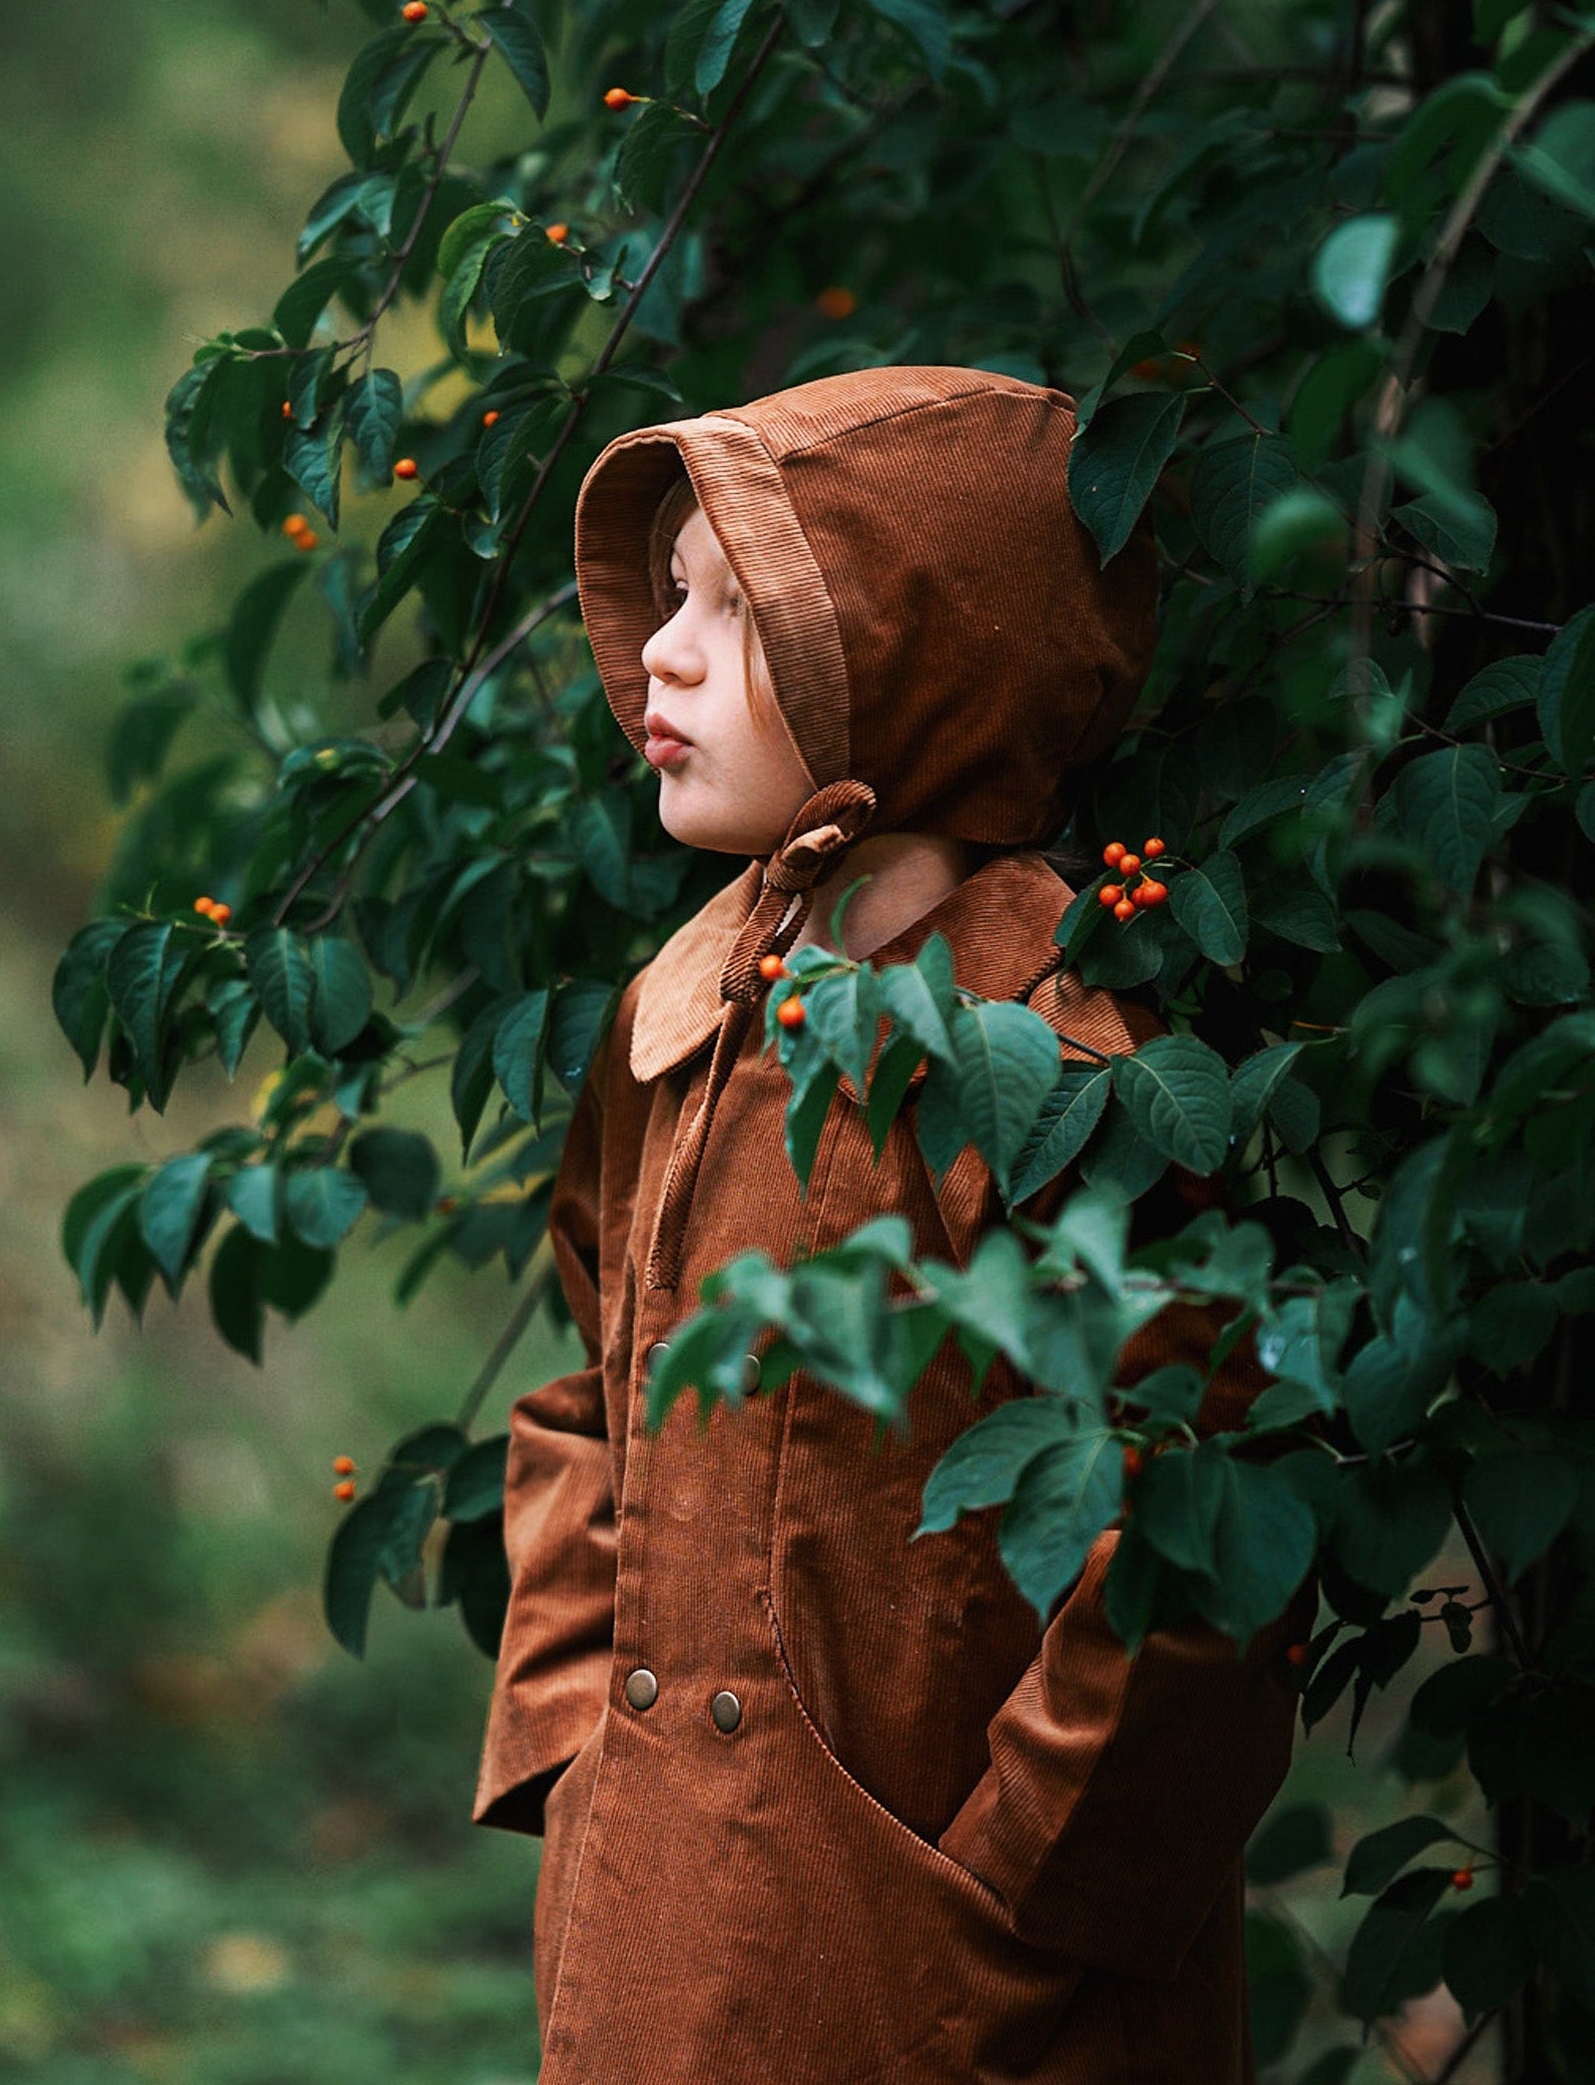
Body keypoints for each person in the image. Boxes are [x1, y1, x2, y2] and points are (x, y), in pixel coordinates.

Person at [471, 366, 1307, 2084]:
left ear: (918, 647)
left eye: (742, 608)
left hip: (961, 2000)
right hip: (662, 1934)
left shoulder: (1046, 1042)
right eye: (672, 596)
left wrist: (1011, 1901)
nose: (667, 656)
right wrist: (579, 1754)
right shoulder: (684, 1005)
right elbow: (585, 1409)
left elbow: (1197, 1509)